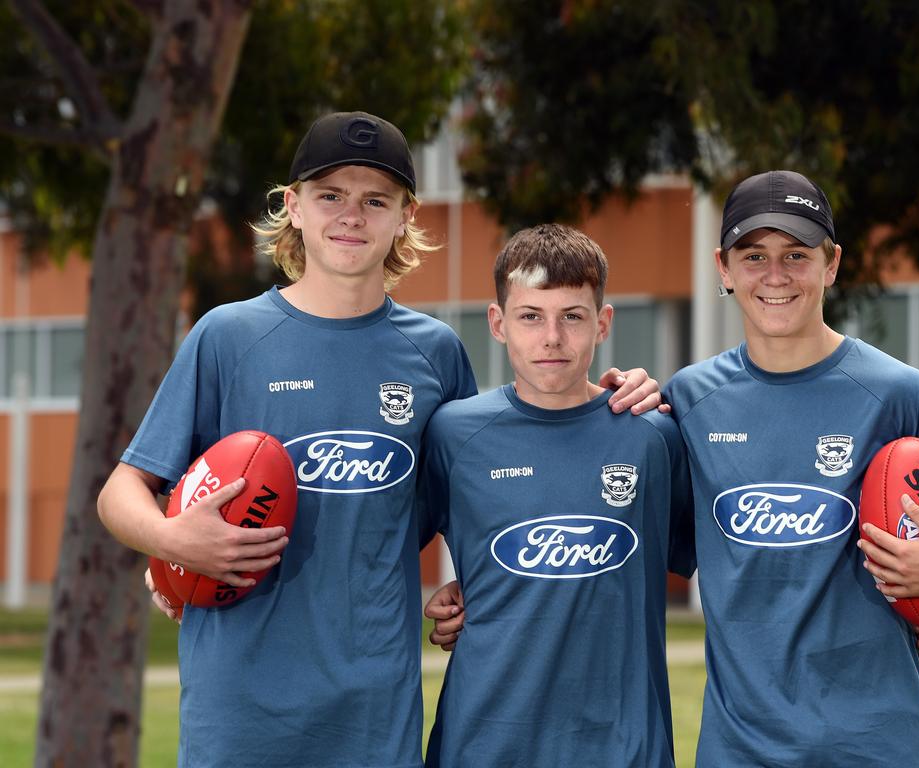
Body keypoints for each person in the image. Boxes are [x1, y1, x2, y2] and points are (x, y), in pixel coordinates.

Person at [96, 111, 662, 767]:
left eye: (375, 200)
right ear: (294, 207)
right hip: (240, 704)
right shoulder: (228, 337)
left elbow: (485, 500)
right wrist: (172, 540)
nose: (351, 216)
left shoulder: (436, 356)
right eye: (330, 195)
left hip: (376, 710)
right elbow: (122, 492)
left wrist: (618, 396)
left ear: (405, 215)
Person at [428, 170, 919, 767]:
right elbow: (607, 522)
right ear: (723, 267)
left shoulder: (895, 392)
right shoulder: (685, 403)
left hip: (878, 740)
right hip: (740, 748)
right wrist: (481, 589)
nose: (775, 275)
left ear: (832, 263)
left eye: (796, 254)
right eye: (754, 255)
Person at [417, 223, 694, 768]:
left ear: (603, 323)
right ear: (498, 323)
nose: (552, 338)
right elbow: (377, 546)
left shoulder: (653, 436)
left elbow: (741, 562)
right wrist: (459, 589)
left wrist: (909, 605)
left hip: (622, 746)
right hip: (483, 742)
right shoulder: (453, 434)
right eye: (530, 316)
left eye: (572, 316)